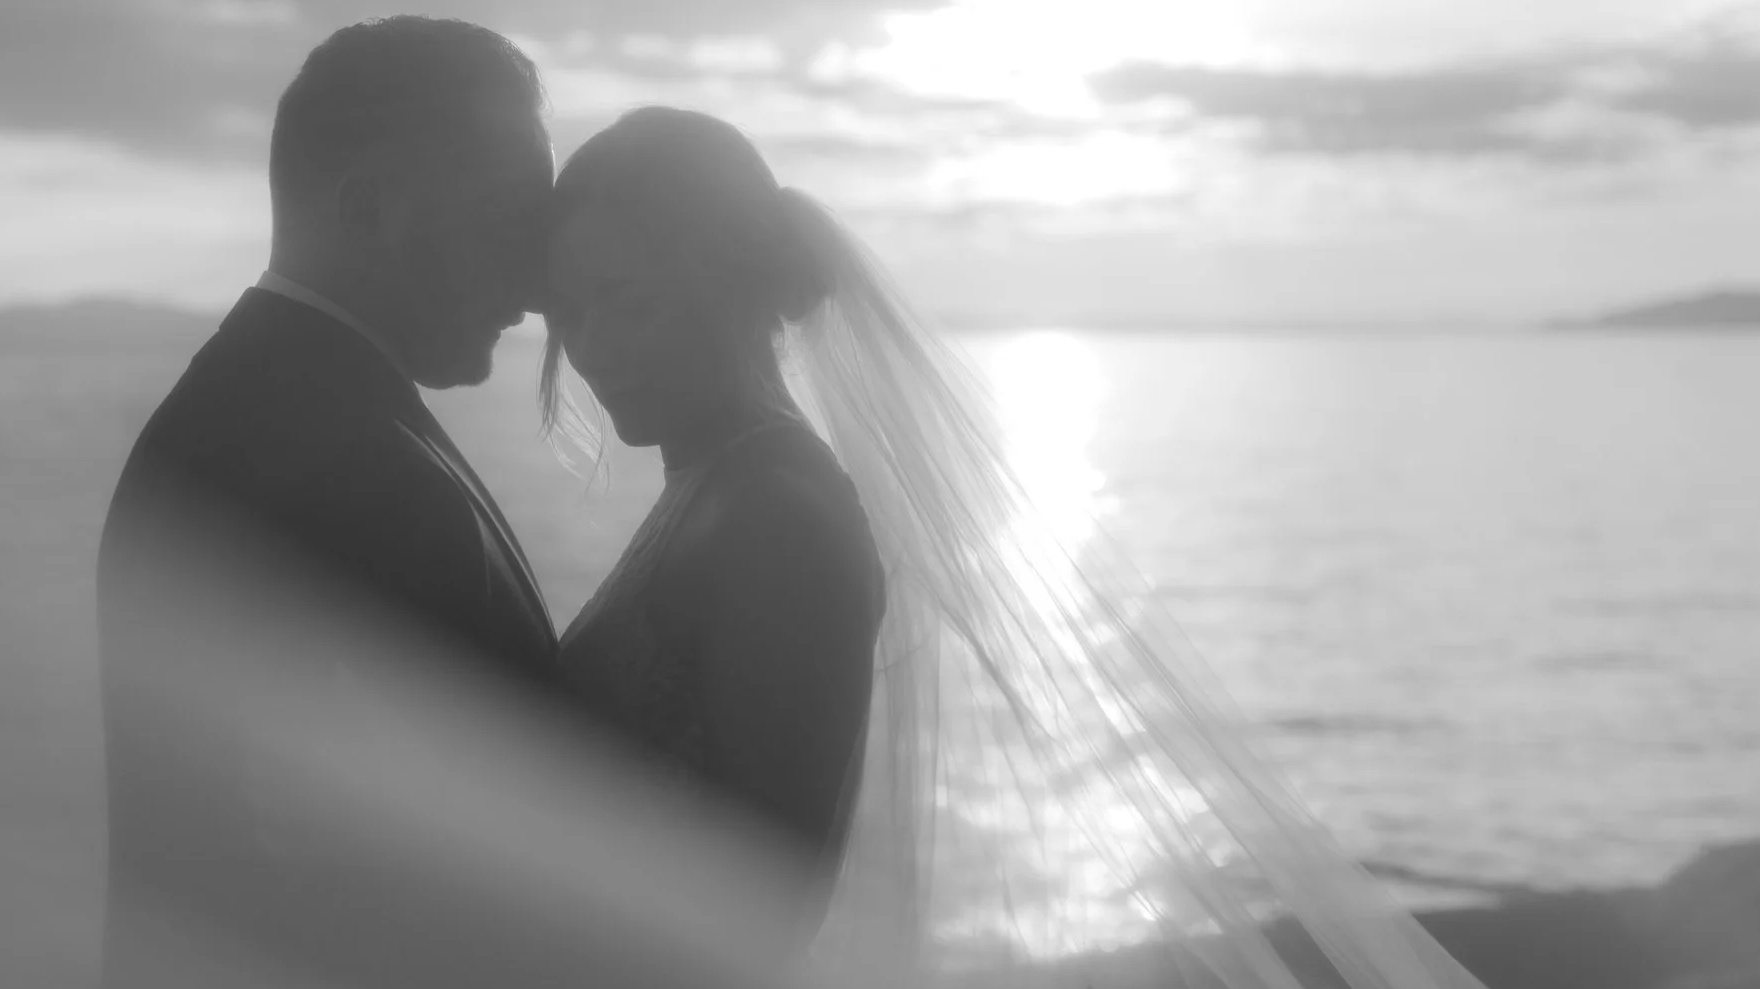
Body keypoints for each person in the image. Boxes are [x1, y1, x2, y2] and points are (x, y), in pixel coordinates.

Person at [537, 105, 1501, 989]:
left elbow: (768, 903)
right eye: (568, 309)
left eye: (628, 302)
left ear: (733, 292)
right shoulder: (714, 485)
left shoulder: (776, 515)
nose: (593, 345)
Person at [93, 16, 560, 989]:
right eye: (514, 218)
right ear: (374, 209)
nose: (540, 278)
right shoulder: (337, 464)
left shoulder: (267, 409)